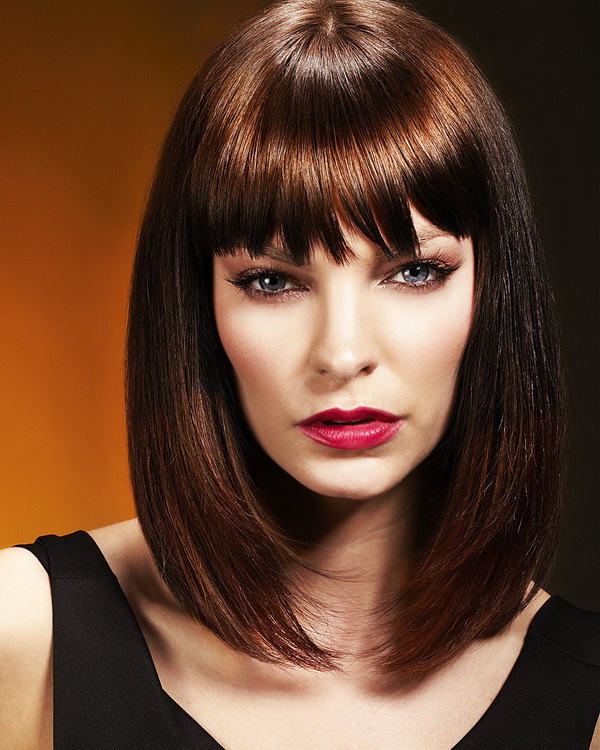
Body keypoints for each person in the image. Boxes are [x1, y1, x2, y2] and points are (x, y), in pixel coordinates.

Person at [1, 0, 598, 748]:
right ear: (195, 305)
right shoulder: (23, 635)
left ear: (495, 292)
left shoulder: (584, 697)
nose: (342, 354)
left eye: (414, 271)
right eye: (273, 281)